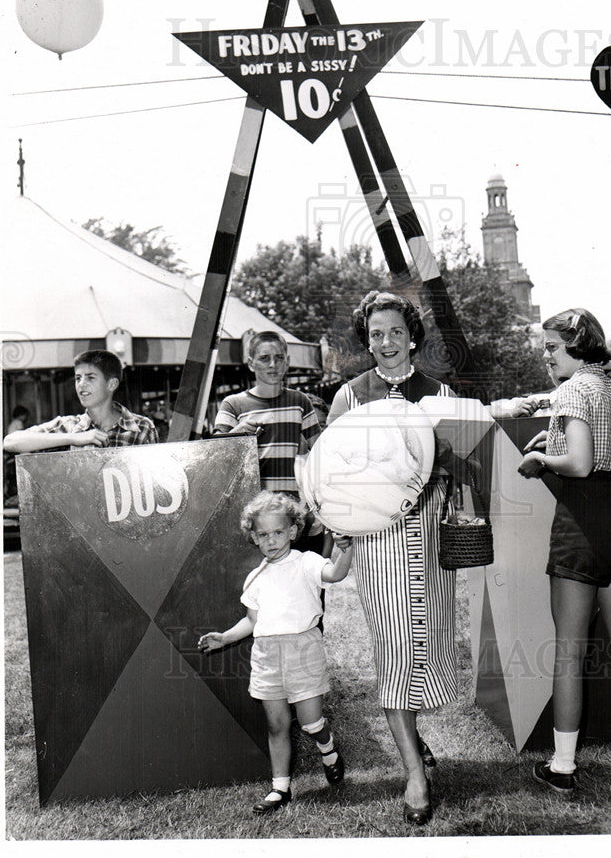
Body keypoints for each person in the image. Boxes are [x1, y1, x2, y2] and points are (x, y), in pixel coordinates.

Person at [326, 290, 472, 826]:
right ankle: (413, 772)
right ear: (367, 341)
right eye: (375, 335)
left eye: (394, 332)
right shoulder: (350, 396)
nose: (385, 343)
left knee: (423, 644)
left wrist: (442, 469)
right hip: (378, 537)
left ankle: (412, 738)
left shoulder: (437, 391)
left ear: (413, 337)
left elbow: (458, 461)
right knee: (393, 647)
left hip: (429, 533)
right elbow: (331, 470)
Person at [517, 308, 611, 794]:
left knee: (568, 653)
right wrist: (557, 438)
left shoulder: (571, 390)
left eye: (552, 348)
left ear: (577, 346)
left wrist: (543, 457)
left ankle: (562, 767)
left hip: (582, 520)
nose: (546, 356)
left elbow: (579, 465)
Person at [198, 491, 353, 812]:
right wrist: (224, 638)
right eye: (263, 535)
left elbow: (336, 574)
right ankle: (280, 788)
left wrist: (345, 551)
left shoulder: (307, 562)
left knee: (311, 723)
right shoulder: (255, 578)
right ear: (253, 537)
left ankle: (328, 749)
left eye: (278, 532)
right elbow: (252, 620)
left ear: (293, 531)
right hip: (267, 657)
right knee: (277, 725)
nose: (271, 540)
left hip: (303, 651)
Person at [213, 330, 325, 554]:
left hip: (292, 516)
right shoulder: (233, 404)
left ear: (287, 362)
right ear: (251, 363)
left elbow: (323, 453)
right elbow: (214, 456)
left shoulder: (300, 402)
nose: (273, 364)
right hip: (254, 517)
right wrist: (235, 434)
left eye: (279, 358)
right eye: (264, 358)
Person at [3, 350, 158, 454]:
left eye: (90, 377)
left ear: (112, 384)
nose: (81, 384)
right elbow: (10, 441)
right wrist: (72, 438)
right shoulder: (69, 426)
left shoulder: (142, 428)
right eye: (78, 378)